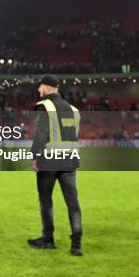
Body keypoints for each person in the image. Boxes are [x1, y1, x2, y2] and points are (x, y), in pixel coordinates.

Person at [28, 74, 83, 256]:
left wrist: (34, 157)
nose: (38, 90)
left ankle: (48, 239)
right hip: (69, 160)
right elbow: (74, 137)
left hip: (49, 161)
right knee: (73, 203)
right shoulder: (73, 110)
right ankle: (76, 244)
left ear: (46, 87)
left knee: (46, 201)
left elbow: (41, 134)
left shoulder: (45, 106)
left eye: (40, 87)